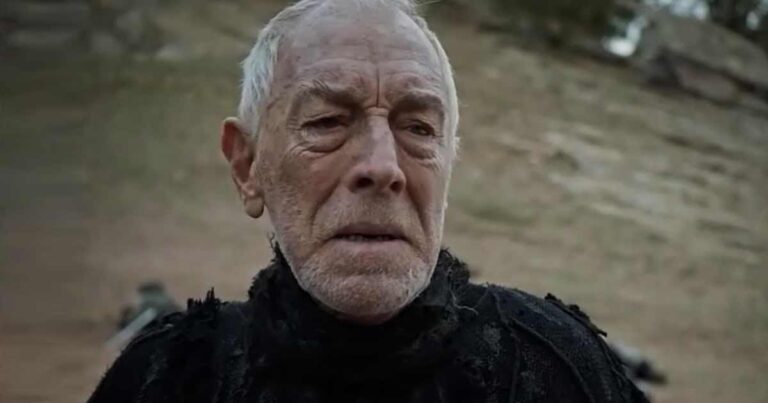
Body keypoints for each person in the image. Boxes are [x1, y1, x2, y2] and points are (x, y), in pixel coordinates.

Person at [88, 0, 648, 402]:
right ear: (247, 166)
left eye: (418, 129)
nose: (382, 167)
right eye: (327, 122)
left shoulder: (557, 369)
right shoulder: (169, 379)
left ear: (448, 163)